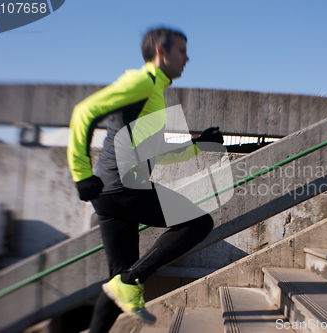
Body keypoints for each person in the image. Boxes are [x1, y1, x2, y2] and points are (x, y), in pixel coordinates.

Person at [67, 27, 223, 332]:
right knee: (197, 223)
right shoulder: (142, 81)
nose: (187, 58)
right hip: (121, 186)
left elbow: (156, 151)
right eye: (182, 51)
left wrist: (199, 144)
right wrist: (81, 173)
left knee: (117, 286)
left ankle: (124, 285)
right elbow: (83, 112)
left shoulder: (154, 92)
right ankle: (132, 279)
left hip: (112, 195)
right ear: (161, 52)